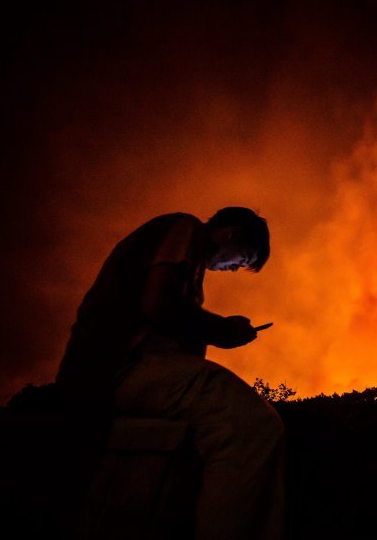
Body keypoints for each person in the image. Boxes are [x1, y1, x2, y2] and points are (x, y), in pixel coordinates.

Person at [55, 207, 284, 540]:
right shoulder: (185, 228)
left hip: (102, 371)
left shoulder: (186, 264)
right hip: (116, 366)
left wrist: (216, 332)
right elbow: (157, 306)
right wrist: (221, 330)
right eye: (243, 258)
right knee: (254, 425)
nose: (236, 269)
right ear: (232, 233)